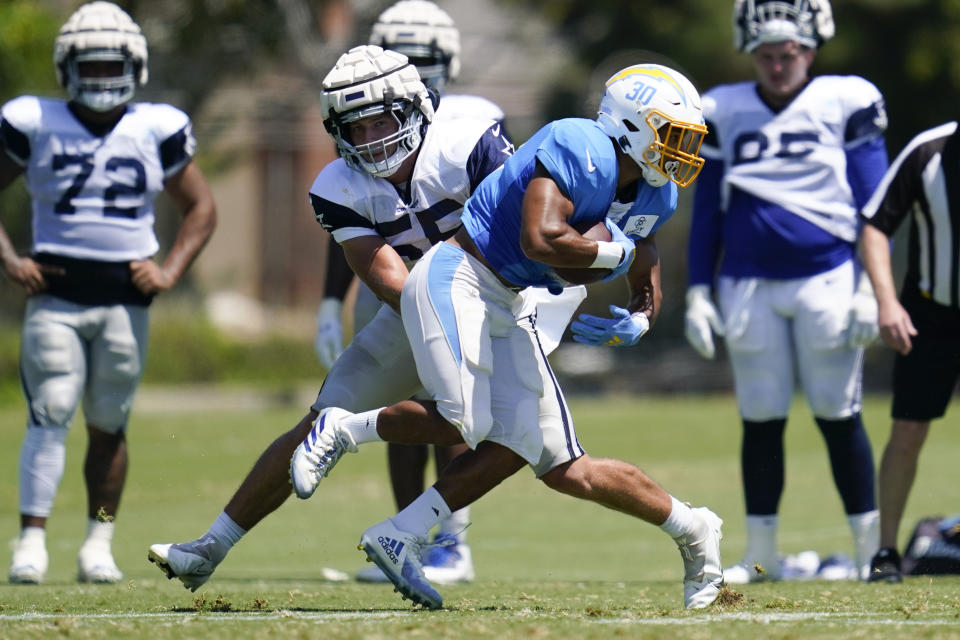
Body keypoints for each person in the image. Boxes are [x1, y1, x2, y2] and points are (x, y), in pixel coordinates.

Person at [289, 62, 725, 610]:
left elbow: (645, 247)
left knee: (558, 461)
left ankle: (695, 530)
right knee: (464, 418)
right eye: (674, 135)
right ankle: (342, 428)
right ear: (633, 126)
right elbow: (543, 239)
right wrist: (617, 255)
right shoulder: (580, 143)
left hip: (510, 301)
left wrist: (642, 310)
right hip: (459, 275)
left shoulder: (654, 191)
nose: (683, 151)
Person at [148, 43, 566, 590]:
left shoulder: (468, 141)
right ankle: (210, 547)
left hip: (508, 302)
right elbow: (387, 278)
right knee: (321, 420)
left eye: (381, 122)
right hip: (416, 307)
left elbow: (522, 230)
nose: (371, 140)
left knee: (517, 437)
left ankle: (427, 541)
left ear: (416, 108)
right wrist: (449, 320)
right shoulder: (338, 186)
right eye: (356, 129)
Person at [0, 1, 217, 584]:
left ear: (134, 66)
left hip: (126, 299)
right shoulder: (33, 119)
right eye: (89, 67)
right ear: (66, 68)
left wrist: (169, 271)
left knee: (108, 424)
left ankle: (99, 540)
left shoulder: (156, 126)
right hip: (56, 293)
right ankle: (31, 542)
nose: (99, 78)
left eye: (109, 66)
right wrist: (10, 259)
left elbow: (201, 206)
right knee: (49, 413)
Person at [683, 0, 888, 583]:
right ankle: (763, 555)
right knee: (762, 419)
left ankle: (873, 552)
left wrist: (874, 288)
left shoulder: (844, 99)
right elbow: (707, 213)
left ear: (811, 49)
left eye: (789, 53)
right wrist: (698, 289)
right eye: (767, 55)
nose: (778, 65)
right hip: (748, 283)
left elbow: (878, 206)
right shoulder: (724, 108)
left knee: (837, 413)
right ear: (752, 53)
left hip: (828, 275)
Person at [314, 0, 512, 585]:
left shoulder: (474, 121)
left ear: (447, 61)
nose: (416, 68)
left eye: (425, 58)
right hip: (389, 280)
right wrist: (333, 299)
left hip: (467, 280)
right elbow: (351, 223)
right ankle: (407, 535)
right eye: (406, 57)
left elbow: (511, 206)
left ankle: (452, 542)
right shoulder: (365, 118)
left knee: (456, 404)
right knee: (391, 409)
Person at [858, 121, 960, 583]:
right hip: (930, 313)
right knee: (909, 430)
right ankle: (886, 552)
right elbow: (876, 225)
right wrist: (886, 301)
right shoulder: (928, 151)